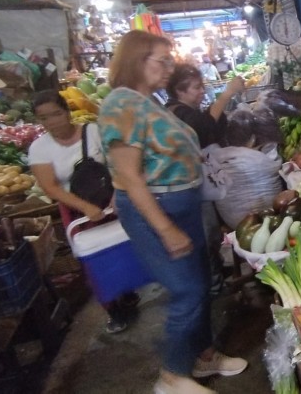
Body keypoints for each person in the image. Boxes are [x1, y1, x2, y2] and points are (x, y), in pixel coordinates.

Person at [97, 30, 246, 394]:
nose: (168, 68)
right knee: (188, 291)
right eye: (160, 61)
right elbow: (130, 178)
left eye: (169, 60)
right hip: (156, 211)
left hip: (183, 206)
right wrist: (165, 229)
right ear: (135, 60)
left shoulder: (146, 101)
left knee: (200, 285)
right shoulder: (120, 105)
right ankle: (172, 376)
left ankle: (205, 356)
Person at [27, 91, 140, 334]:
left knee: (124, 246)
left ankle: (128, 288)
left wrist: (117, 194)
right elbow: (51, 187)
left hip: (112, 197)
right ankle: (112, 308)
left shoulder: (94, 131)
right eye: (44, 118)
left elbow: (117, 163)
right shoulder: (39, 149)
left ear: (67, 111)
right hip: (75, 208)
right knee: (93, 258)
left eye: (56, 114)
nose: (52, 122)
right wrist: (85, 207)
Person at [164, 64, 244, 295]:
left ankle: (215, 276)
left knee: (210, 232)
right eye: (196, 87)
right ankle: (212, 286)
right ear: (179, 90)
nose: (201, 91)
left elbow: (213, 128)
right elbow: (204, 126)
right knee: (204, 234)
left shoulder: (188, 110)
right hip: (187, 186)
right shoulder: (176, 112)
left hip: (199, 182)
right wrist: (227, 93)